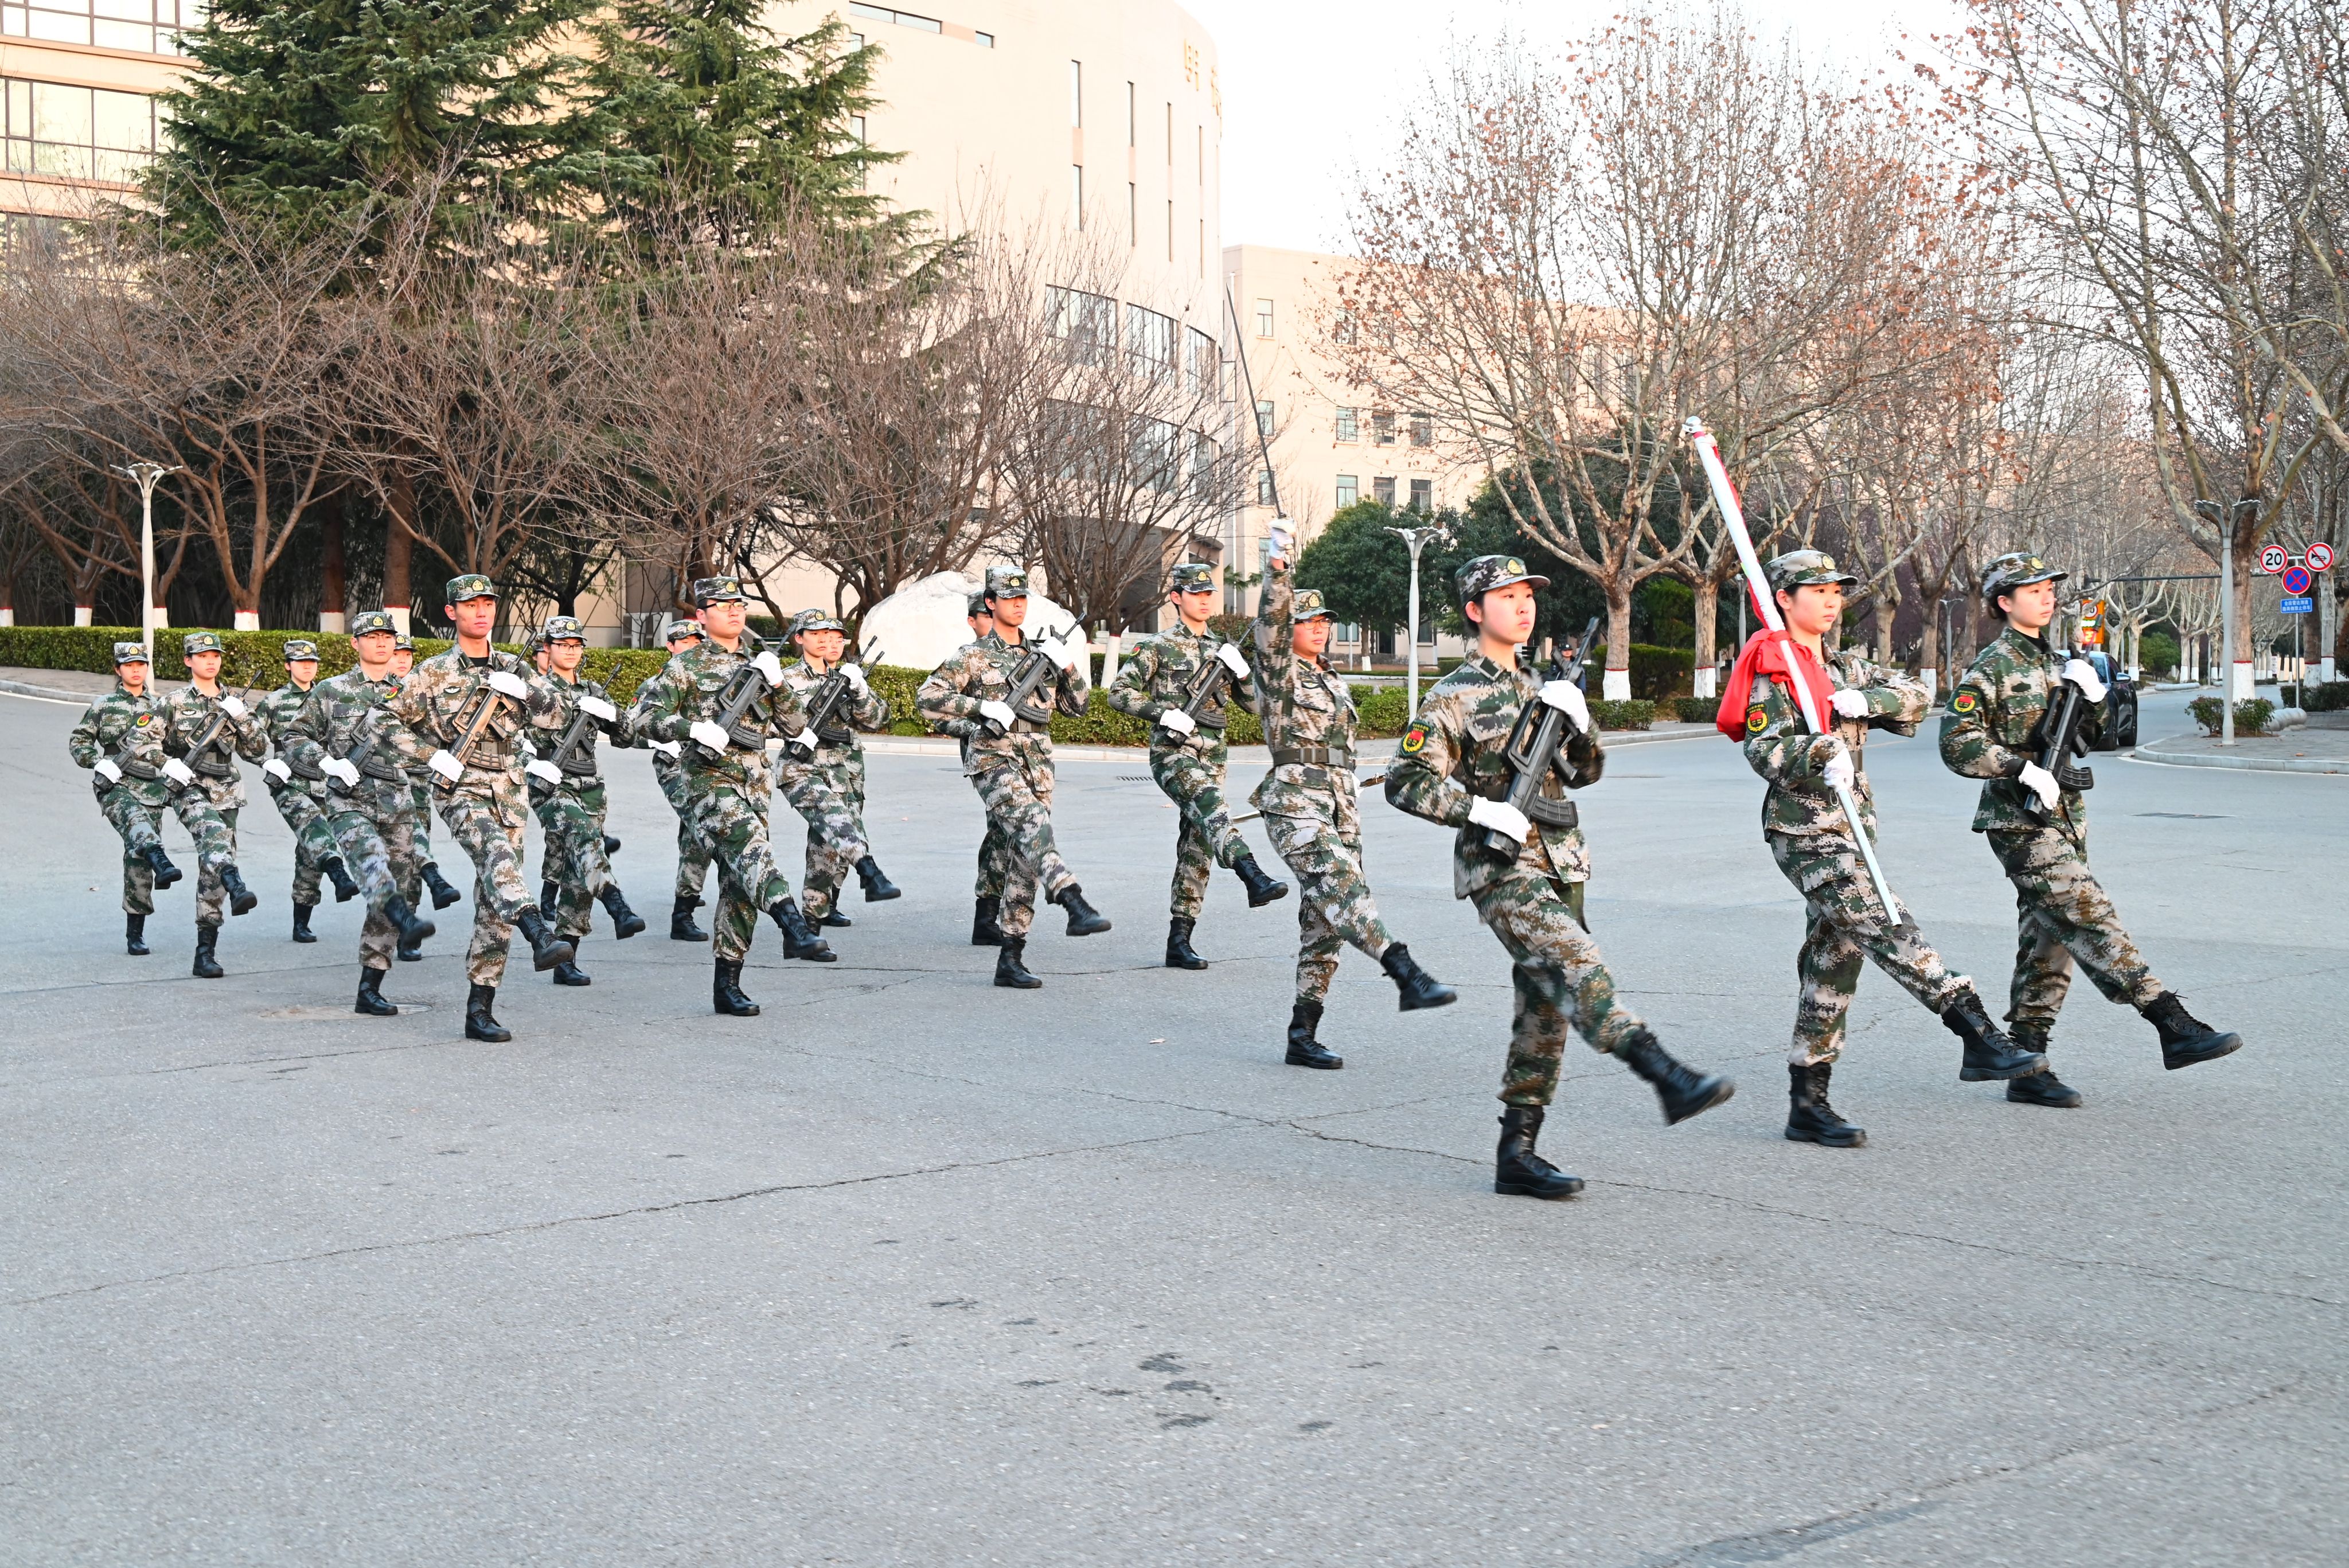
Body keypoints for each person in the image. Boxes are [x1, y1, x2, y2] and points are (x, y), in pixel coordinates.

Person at [1388, 555, 1733, 1199]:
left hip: (1561, 862)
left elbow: (1585, 773)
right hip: (1500, 866)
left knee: (1546, 1005)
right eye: (1506, 597)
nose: (1523, 606)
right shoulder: (1452, 696)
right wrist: (1478, 809)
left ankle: (1516, 1153)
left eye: (1528, 595)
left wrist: (1580, 723)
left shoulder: (1541, 686)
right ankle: (1665, 1074)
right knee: (1578, 964)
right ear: (1474, 611)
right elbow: (1404, 782)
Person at [1735, 549, 2044, 1148]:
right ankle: (1976, 1032)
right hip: (1805, 831)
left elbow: (1915, 693)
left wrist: (1866, 702)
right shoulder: (1774, 669)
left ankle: (1808, 1103)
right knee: (1886, 920)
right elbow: (1763, 749)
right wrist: (1817, 751)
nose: (1831, 601)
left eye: (1836, 591)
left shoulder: (1843, 666)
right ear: (1784, 599)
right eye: (1817, 591)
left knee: (1833, 962)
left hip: (1854, 830)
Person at [1940, 550, 2243, 1101]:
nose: (2048, 597)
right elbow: (1957, 742)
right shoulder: (1992, 667)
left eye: (2049, 588)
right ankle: (2172, 1024)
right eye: (2034, 590)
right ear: (2004, 602)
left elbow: (2093, 736)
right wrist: (2019, 767)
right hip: (2019, 819)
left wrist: (2096, 696)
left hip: (2065, 817)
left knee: (2049, 939)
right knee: (2089, 915)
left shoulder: (2061, 662)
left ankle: (2027, 1066)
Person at [1251, 524, 1454, 1062]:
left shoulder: (1331, 678)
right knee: (1345, 891)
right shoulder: (1278, 673)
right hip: (1295, 805)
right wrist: (1277, 570)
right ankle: (1406, 973)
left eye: (1324, 621)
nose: (1319, 628)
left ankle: (1302, 1035)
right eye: (1308, 621)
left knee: (1325, 923)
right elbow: (1269, 625)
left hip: (1340, 809)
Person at [373, 576, 578, 1042]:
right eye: (470, 605)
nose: (481, 612)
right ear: (452, 613)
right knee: (498, 859)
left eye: (487, 603)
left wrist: (525, 691)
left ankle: (480, 1009)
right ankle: (540, 932)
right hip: (460, 786)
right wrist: (429, 755)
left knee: (496, 898)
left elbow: (557, 716)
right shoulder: (432, 672)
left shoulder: (514, 667)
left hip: (509, 789)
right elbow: (381, 719)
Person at [633, 575, 837, 1017]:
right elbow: (643, 717)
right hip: (707, 782)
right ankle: (794, 925)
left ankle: (727, 984)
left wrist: (778, 684)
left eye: (739, 605)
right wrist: (691, 728)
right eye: (723, 606)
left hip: (754, 785)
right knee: (753, 850)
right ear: (701, 616)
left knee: (741, 883)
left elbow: (796, 726)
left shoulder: (759, 664)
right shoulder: (686, 665)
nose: (733, 611)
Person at [916, 567, 1109, 989]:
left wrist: (1068, 665)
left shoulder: (1042, 654)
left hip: (1038, 764)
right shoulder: (973, 655)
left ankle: (1011, 956)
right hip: (992, 759)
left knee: (1025, 857)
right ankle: (1073, 899)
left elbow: (1078, 707)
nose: (1018, 605)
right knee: (1035, 828)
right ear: (990, 603)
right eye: (1008, 598)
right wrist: (980, 709)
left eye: (1023, 598)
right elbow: (927, 698)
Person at [1107, 561, 1289, 969]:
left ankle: (1180, 940)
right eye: (1196, 594)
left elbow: (1255, 706)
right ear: (1176, 598)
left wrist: (1244, 674)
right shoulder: (1157, 646)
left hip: (1214, 756)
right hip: (1173, 753)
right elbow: (1119, 693)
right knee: (1214, 809)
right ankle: (1252, 874)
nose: (1205, 600)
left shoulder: (1223, 649)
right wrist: (1163, 713)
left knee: (1199, 844)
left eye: (1209, 594)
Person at [278, 610, 440, 1013]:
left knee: (391, 890)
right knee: (371, 861)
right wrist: (326, 762)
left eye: (388, 636)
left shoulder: (410, 692)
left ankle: (370, 988)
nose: (382, 642)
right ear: (356, 643)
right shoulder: (332, 690)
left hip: (397, 802)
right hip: (348, 799)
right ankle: (404, 917)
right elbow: (294, 735)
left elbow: (436, 738)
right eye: (372, 636)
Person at [526, 616, 647, 986]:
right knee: (585, 840)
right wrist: (531, 761)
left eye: (576, 645)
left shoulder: (594, 691)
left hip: (591, 785)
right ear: (548, 648)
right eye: (563, 645)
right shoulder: (533, 690)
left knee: (578, 873)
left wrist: (613, 715)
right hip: (551, 784)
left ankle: (566, 959)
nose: (570, 651)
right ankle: (617, 905)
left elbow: (628, 737)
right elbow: (510, 735)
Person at [65, 642, 198, 957]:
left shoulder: (161, 706)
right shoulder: (104, 704)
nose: (136, 670)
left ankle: (135, 932)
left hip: (152, 788)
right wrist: (97, 762)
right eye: (129, 665)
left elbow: (176, 745)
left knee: (139, 858)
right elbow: (79, 740)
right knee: (139, 828)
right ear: (118, 669)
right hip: (115, 784)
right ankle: (160, 858)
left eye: (141, 664)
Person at [772, 611, 900, 930]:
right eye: (816, 635)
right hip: (802, 767)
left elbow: (877, 720)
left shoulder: (845, 677)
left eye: (831, 636)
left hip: (842, 772)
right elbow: (765, 721)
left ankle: (814, 921)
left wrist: (860, 690)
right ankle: (869, 875)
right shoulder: (787, 679)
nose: (826, 641)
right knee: (837, 823)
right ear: (799, 638)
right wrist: (795, 731)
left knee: (828, 845)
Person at [154, 631, 272, 976]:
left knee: (213, 865)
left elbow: (258, 750)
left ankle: (205, 952)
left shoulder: (235, 703)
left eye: (215, 656)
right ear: (188, 661)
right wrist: (166, 763)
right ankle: (237, 882)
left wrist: (243, 717)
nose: (211, 661)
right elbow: (140, 741)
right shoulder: (173, 702)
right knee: (214, 838)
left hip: (226, 792)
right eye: (203, 656)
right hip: (188, 787)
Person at [256, 638, 361, 942]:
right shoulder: (274, 702)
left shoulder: (328, 697)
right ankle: (339, 873)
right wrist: (266, 761)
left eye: (312, 662)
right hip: (290, 783)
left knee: (310, 849)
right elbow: (249, 737)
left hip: (325, 783)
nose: (307, 667)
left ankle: (301, 921)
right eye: (301, 662)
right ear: (288, 666)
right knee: (313, 825)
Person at [930, 592, 1012, 946]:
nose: (992, 621)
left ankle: (994, 916)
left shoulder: (1020, 655)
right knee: (1003, 829)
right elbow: (937, 712)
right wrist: (978, 725)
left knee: (1007, 832)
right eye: (986, 615)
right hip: (987, 758)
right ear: (973, 620)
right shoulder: (967, 658)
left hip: (1026, 758)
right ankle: (988, 915)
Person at [627, 618, 716, 941]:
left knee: (697, 830)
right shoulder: (655, 683)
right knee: (699, 826)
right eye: (685, 642)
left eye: (697, 642)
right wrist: (657, 741)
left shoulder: (708, 678)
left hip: (709, 765)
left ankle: (687, 894)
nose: (692, 647)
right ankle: (684, 912)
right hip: (675, 766)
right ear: (670, 646)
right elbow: (629, 730)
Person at [389, 631, 466, 929]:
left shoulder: (425, 692)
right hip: (387, 781)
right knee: (398, 854)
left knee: (416, 849)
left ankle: (411, 918)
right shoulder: (380, 693)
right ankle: (396, 921)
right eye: (397, 654)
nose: (403, 660)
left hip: (420, 781)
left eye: (407, 655)